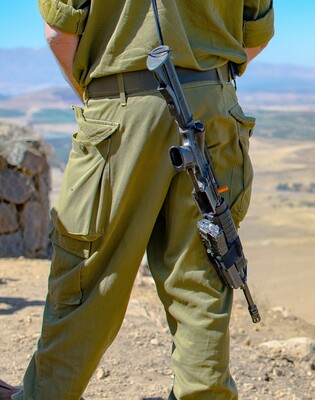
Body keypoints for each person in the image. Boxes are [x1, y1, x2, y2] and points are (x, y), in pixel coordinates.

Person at [8, 1, 274, 399]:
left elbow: (59, 32)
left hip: (122, 104)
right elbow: (257, 33)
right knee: (203, 274)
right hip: (214, 109)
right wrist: (205, 72)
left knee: (88, 275)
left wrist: (106, 99)